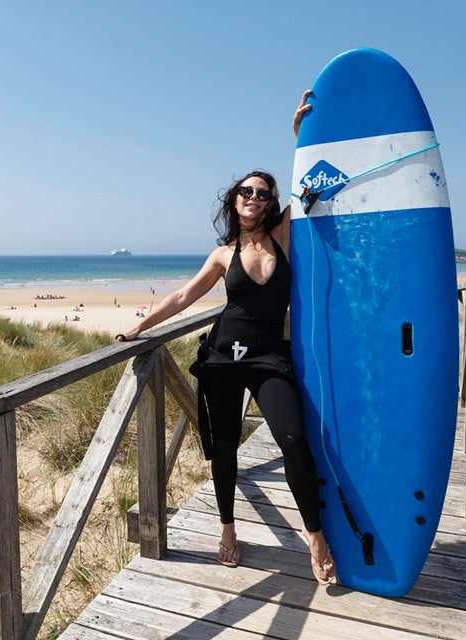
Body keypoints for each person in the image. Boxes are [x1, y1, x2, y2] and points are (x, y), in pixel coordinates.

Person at [115, 91, 335, 584]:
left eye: (262, 193)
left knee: (293, 439)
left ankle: (314, 535)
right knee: (225, 446)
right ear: (234, 200)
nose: (254, 198)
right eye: (246, 192)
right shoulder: (222, 254)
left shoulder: (281, 235)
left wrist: (300, 137)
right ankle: (228, 528)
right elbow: (181, 298)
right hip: (220, 356)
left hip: (267, 358)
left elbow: (304, 192)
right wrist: (138, 327)